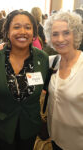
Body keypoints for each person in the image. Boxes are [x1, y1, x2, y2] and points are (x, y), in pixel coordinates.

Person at [0, 9, 49, 150]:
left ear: (34, 32)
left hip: (30, 126)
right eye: (16, 27)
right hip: (3, 126)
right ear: (7, 32)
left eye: (28, 27)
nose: (22, 31)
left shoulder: (42, 58)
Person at [44, 11, 83, 150]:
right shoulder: (52, 62)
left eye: (66, 33)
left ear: (75, 34)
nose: (60, 39)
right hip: (55, 139)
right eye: (55, 34)